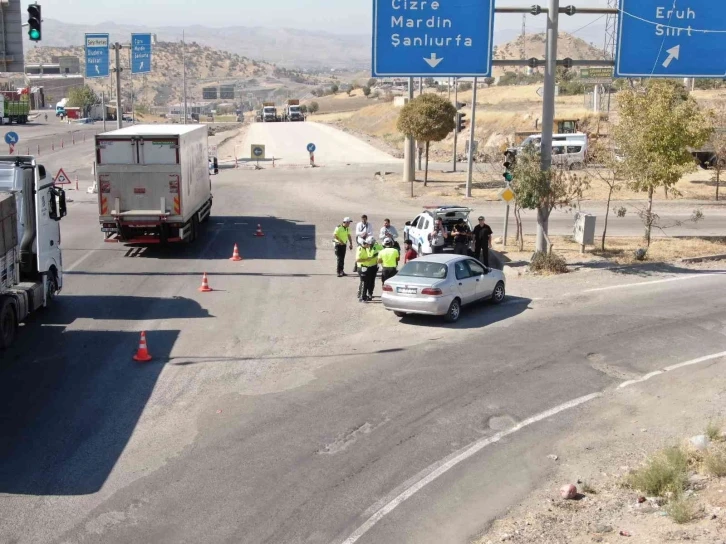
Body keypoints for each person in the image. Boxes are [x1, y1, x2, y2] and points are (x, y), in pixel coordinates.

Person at [356, 236, 381, 302]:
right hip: (363, 267)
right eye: (368, 244)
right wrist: (367, 259)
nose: (368, 245)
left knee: (368, 282)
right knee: (364, 282)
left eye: (369, 244)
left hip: (371, 267)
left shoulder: (375, 246)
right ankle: (362, 296)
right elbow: (358, 259)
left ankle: (366, 294)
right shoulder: (361, 248)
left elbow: (382, 249)